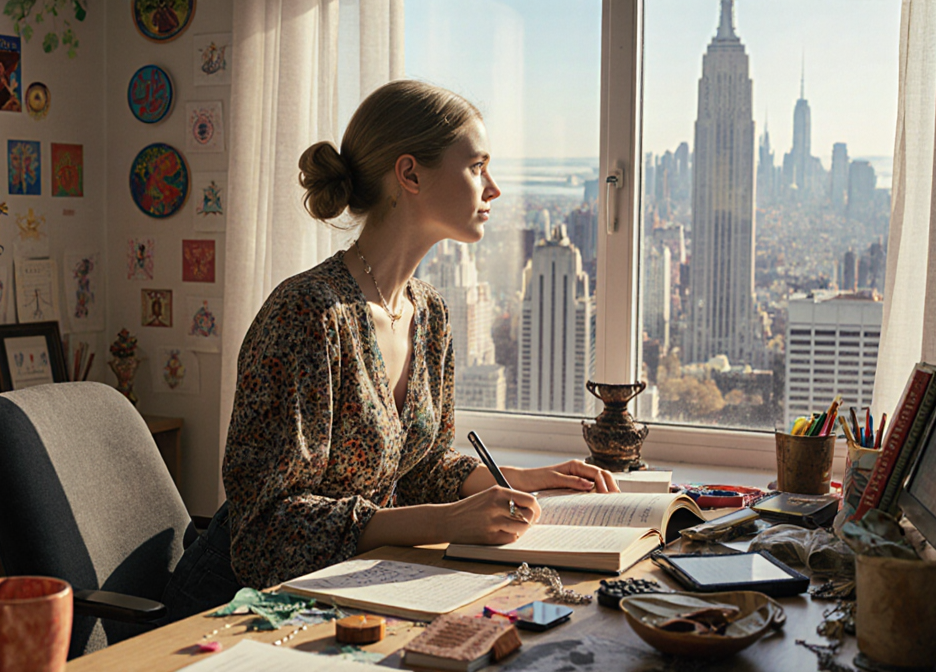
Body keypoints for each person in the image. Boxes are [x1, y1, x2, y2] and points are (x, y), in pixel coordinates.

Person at [161, 80, 619, 621]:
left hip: (354, 591)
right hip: (235, 608)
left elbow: (418, 468)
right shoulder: (308, 315)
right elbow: (266, 534)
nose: (493, 188)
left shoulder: (430, 314)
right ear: (410, 174)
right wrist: (447, 523)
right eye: (477, 167)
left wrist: (516, 478)